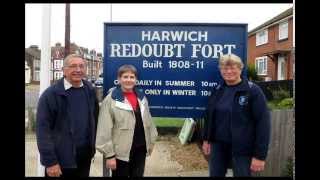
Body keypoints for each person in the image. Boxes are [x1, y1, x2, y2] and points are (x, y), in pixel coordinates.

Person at [202, 53, 271, 177]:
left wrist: (260, 156)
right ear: (221, 70)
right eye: (225, 68)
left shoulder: (253, 91)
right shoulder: (218, 90)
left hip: (242, 149)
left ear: (240, 68)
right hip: (218, 146)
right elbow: (210, 116)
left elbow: (263, 123)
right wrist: (206, 139)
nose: (229, 71)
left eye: (233, 68)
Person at [36, 54, 99, 177]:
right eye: (73, 66)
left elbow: (94, 119)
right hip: (60, 161)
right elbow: (43, 130)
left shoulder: (90, 90)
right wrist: (50, 162)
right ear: (64, 70)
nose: (78, 70)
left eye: (81, 66)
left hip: (84, 158)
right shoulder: (50, 95)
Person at [96, 64, 158, 177]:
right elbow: (104, 130)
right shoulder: (111, 100)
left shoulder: (141, 98)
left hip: (140, 149)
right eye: (125, 77)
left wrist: (151, 142)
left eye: (132, 77)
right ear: (119, 79)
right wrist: (109, 156)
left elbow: (149, 122)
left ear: (136, 79)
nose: (128, 80)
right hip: (120, 154)